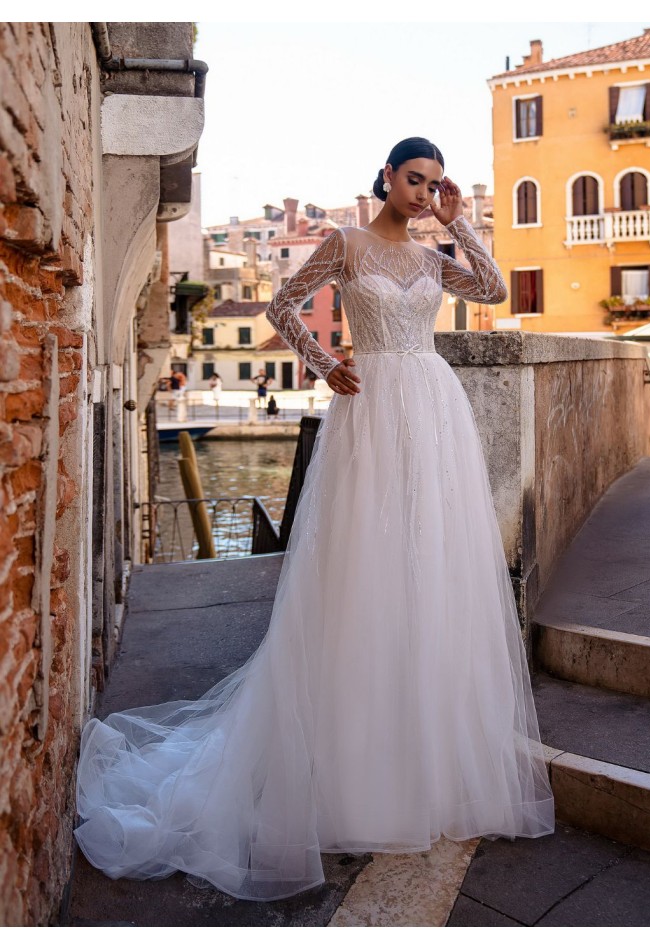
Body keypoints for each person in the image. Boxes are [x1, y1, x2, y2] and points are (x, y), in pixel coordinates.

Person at [74, 137, 556, 902]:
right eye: (414, 180)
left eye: (435, 184)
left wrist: (462, 224)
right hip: (367, 413)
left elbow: (494, 290)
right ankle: (353, 764)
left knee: (428, 573)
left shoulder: (435, 257)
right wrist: (325, 364)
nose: (425, 192)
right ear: (388, 179)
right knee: (363, 573)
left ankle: (418, 752)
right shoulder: (346, 242)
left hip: (431, 413)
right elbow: (278, 305)